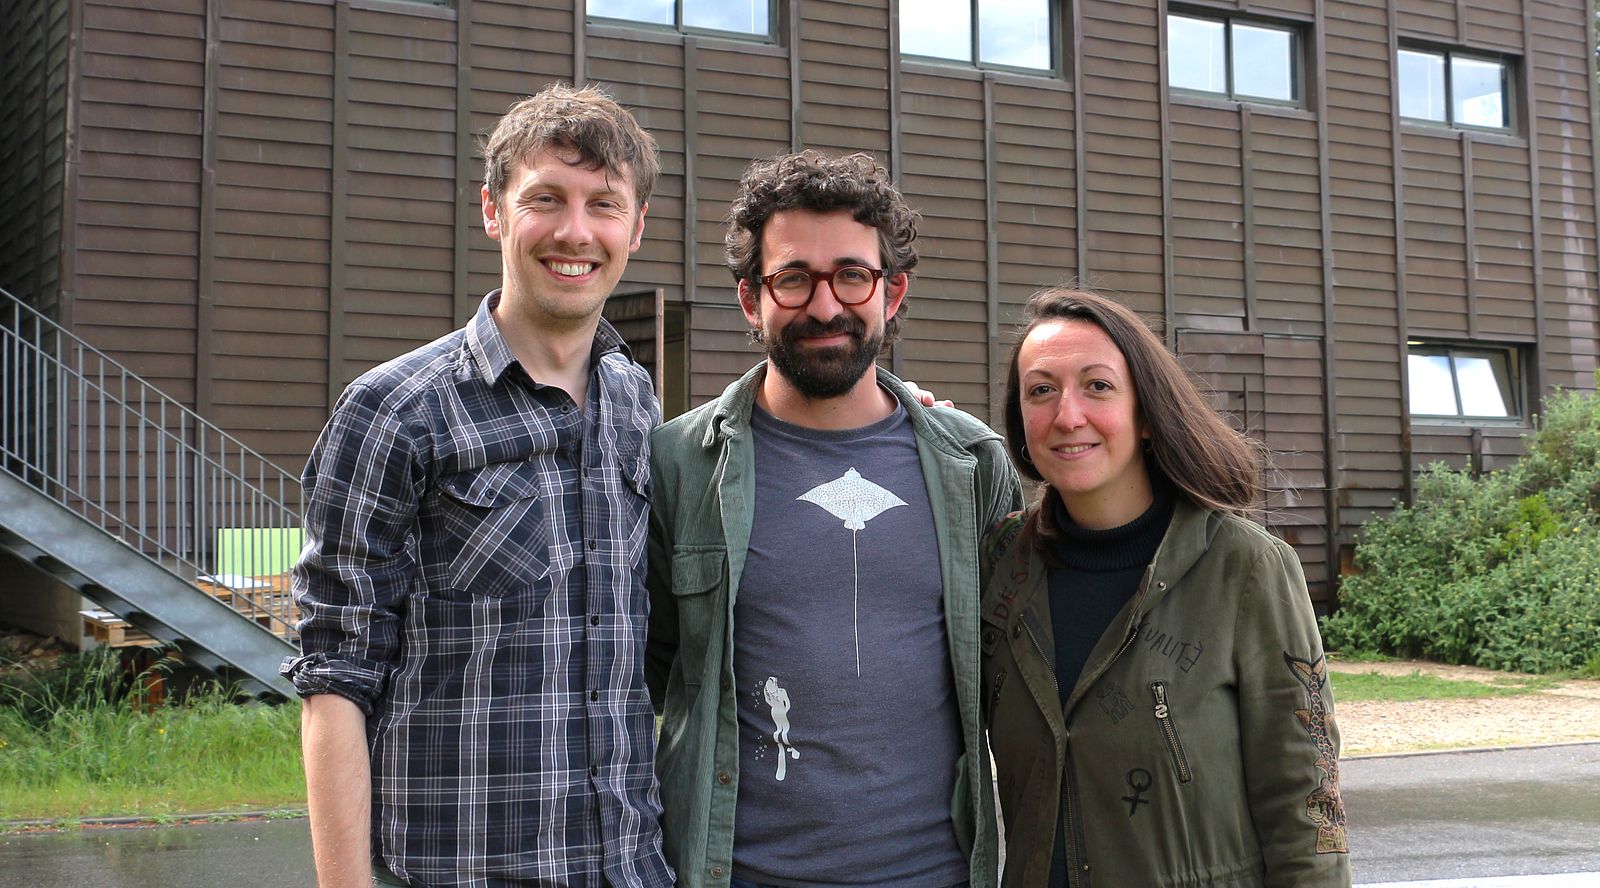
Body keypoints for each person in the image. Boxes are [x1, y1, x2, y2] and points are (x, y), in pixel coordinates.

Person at [281, 84, 674, 888]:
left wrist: (886, 411)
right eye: (545, 200)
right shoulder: (394, 411)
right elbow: (334, 682)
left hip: (629, 870)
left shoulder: (636, 402)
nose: (575, 231)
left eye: (604, 204)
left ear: (635, 227)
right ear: (493, 211)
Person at [645, 150, 1021, 888]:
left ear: (893, 292)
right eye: (793, 279)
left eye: (853, 274)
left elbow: (1016, 681)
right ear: (752, 299)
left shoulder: (973, 466)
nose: (825, 306)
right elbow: (652, 677)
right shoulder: (678, 465)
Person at [979, 286, 1351, 887]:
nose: (1067, 415)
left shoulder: (1247, 570)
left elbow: (1307, 805)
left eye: (1097, 386)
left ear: (1147, 415)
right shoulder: (1000, 565)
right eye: (1040, 391)